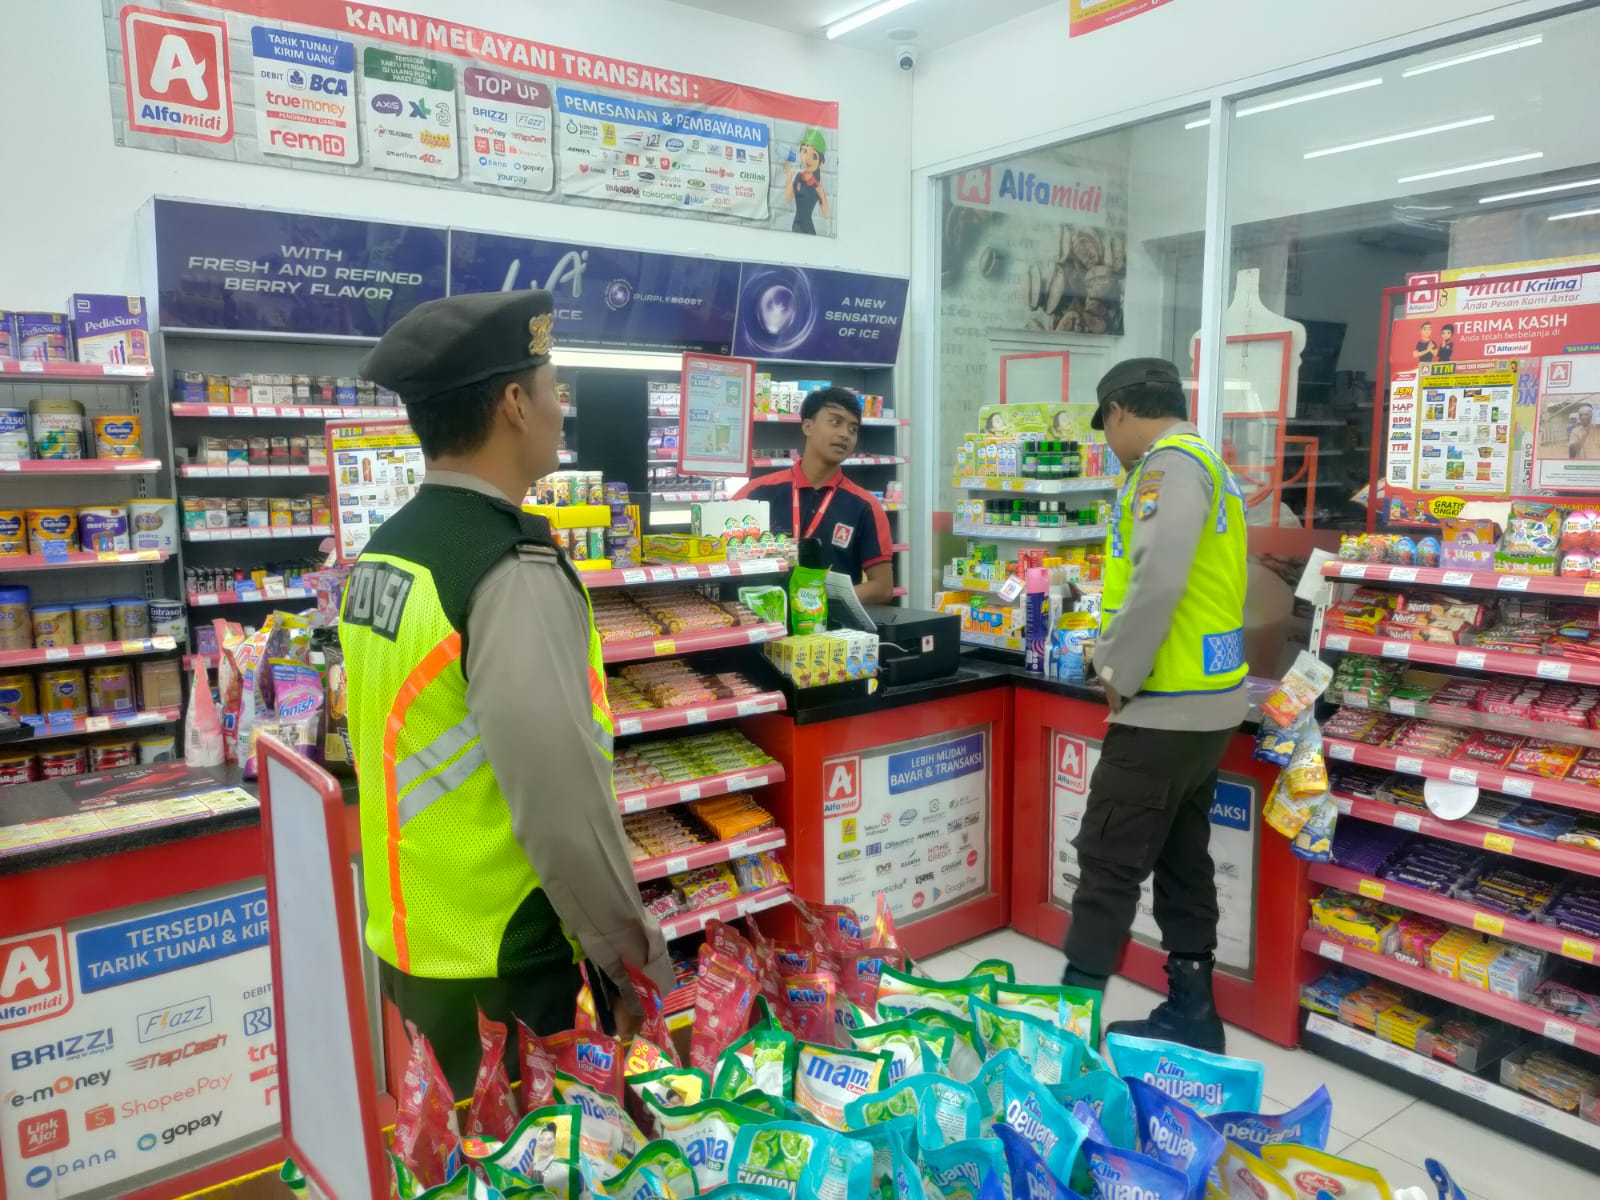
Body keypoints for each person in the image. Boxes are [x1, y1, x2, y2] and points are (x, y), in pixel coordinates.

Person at [342, 289, 673, 1095]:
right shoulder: (505, 570)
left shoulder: (386, 552)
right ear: (516, 404)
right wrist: (632, 963)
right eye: (554, 387)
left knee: (459, 1149)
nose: (563, 408)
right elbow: (563, 808)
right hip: (506, 966)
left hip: (416, 945)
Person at [1059, 358, 1248, 1053]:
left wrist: (1115, 668)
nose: (1110, 443)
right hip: (1208, 702)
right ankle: (1193, 1014)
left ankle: (1067, 1038)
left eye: (1105, 427)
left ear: (1117, 412)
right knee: (1180, 857)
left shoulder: (1166, 467)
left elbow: (1159, 580)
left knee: (1106, 865)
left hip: (1163, 705)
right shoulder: (1210, 464)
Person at [734, 387, 895, 602]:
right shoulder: (755, 493)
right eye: (836, 422)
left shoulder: (865, 506)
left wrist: (817, 600)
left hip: (829, 623)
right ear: (807, 426)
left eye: (853, 428)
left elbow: (882, 588)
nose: (845, 434)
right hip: (762, 615)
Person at [784, 129, 831, 235]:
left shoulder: (817, 186)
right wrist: (788, 174)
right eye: (805, 151)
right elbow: (788, 198)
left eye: (814, 156)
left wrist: (822, 195)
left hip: (808, 230)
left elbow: (826, 213)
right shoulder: (799, 177)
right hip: (796, 226)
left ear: (820, 163)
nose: (808, 158)